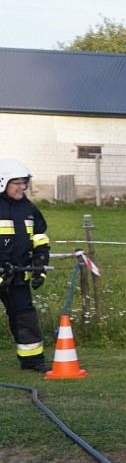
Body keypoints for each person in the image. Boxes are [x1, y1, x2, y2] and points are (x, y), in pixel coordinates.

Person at [0, 160, 52, 373]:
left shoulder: (29, 208)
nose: (22, 187)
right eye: (17, 182)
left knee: (24, 316)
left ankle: (32, 360)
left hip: (18, 274)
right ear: (2, 183)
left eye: (24, 182)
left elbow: (40, 237)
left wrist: (40, 262)